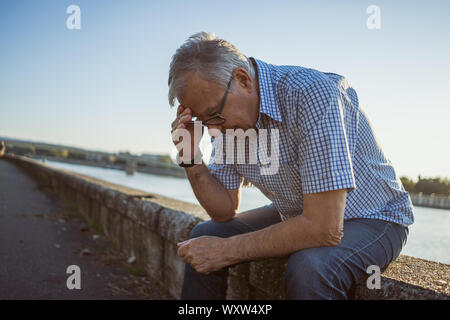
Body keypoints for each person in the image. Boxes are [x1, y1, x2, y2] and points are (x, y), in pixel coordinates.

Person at [168, 32, 414, 300]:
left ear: (243, 79)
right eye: (203, 121)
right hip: (300, 210)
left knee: (311, 268)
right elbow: (224, 210)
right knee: (205, 234)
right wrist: (190, 156)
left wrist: (225, 251)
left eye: (214, 115)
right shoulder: (225, 118)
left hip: (375, 216)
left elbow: (324, 228)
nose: (213, 129)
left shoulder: (311, 94)